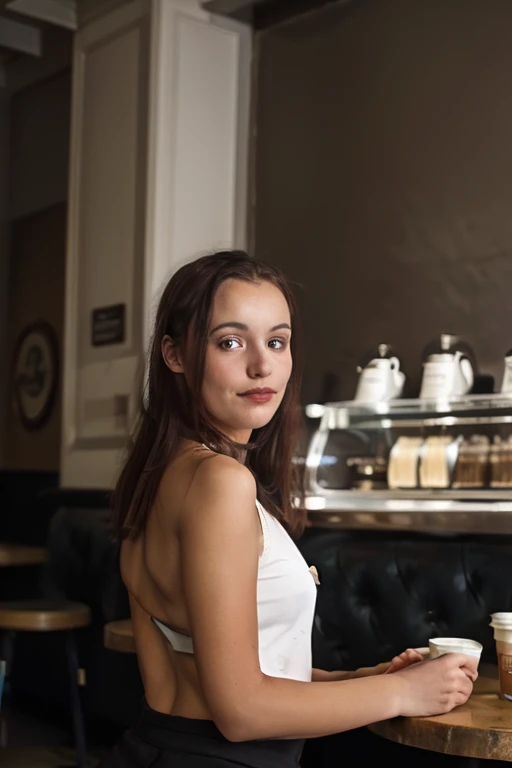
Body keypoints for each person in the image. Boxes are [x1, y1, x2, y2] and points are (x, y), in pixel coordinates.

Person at [102, 251, 478, 768]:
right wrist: (404, 696)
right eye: (230, 341)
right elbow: (241, 712)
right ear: (175, 354)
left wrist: (360, 682)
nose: (262, 364)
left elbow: (235, 678)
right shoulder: (218, 481)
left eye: (276, 341)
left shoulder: (161, 473)